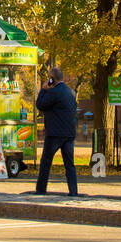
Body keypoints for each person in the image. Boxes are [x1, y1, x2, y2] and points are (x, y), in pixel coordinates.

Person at [34, 67, 78, 196]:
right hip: (69, 133)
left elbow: (40, 105)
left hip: (55, 133)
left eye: (49, 77)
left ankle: (41, 189)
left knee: (46, 162)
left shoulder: (53, 93)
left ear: (52, 78)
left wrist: (43, 89)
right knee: (69, 164)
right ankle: (73, 191)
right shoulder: (71, 92)